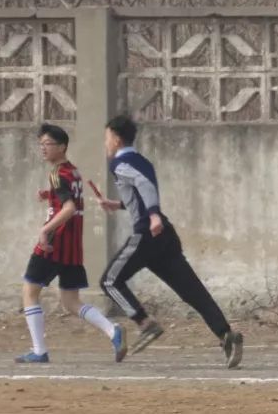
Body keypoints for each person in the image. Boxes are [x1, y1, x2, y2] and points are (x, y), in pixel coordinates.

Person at [96, 115, 244, 368]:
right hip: (165, 235)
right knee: (191, 290)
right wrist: (120, 204)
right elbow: (144, 189)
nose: (105, 143)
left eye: (107, 137)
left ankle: (145, 323)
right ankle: (225, 334)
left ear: (116, 139)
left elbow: (143, 186)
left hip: (147, 234)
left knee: (109, 281)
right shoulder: (142, 160)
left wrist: (152, 214)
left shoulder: (118, 162)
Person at [16, 124, 126, 364]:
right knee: (71, 301)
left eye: (48, 144)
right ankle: (112, 330)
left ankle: (39, 350)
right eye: (41, 144)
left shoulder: (57, 174)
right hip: (73, 246)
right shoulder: (72, 172)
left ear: (62, 147)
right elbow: (69, 196)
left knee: (29, 291)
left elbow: (69, 207)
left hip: (55, 242)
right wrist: (49, 195)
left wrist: (45, 230)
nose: (43, 148)